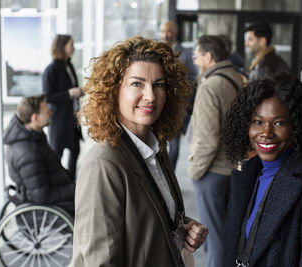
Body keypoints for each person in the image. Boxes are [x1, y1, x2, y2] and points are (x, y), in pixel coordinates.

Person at [71, 36, 208, 267]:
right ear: (114, 90)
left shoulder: (155, 147)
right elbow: (100, 261)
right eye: (137, 83)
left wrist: (184, 228)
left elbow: (148, 219)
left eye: (159, 84)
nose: (151, 96)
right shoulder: (104, 163)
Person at [221, 73, 302, 266]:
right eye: (258, 122)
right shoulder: (247, 176)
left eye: (279, 123)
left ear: (297, 127)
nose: (265, 133)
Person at [188, 35, 244, 267]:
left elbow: (208, 139)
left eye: (197, 55)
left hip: (213, 171)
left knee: (215, 238)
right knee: (227, 234)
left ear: (208, 57)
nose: (194, 59)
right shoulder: (236, 78)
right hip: (232, 168)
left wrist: (194, 171)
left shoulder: (211, 85)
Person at [3, 94, 75, 216]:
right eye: (47, 111)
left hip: (59, 191)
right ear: (35, 118)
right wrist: (75, 189)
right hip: (50, 208)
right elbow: (42, 196)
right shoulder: (28, 154)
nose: (51, 113)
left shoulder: (34, 138)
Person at [42, 34, 82, 178]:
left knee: (75, 151)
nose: (74, 47)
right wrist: (69, 93)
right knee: (56, 155)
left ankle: (71, 182)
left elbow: (71, 90)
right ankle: (58, 182)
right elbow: (48, 97)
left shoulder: (69, 65)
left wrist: (79, 92)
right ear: (62, 47)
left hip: (72, 118)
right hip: (59, 120)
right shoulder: (51, 69)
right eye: (71, 44)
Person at [160, 21, 198, 169]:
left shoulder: (186, 53)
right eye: (163, 31)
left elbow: (194, 77)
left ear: (175, 32)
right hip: (164, 107)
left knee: (183, 145)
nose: (165, 34)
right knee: (167, 146)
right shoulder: (157, 52)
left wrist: (188, 100)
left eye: (169, 31)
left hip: (182, 108)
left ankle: (171, 178)